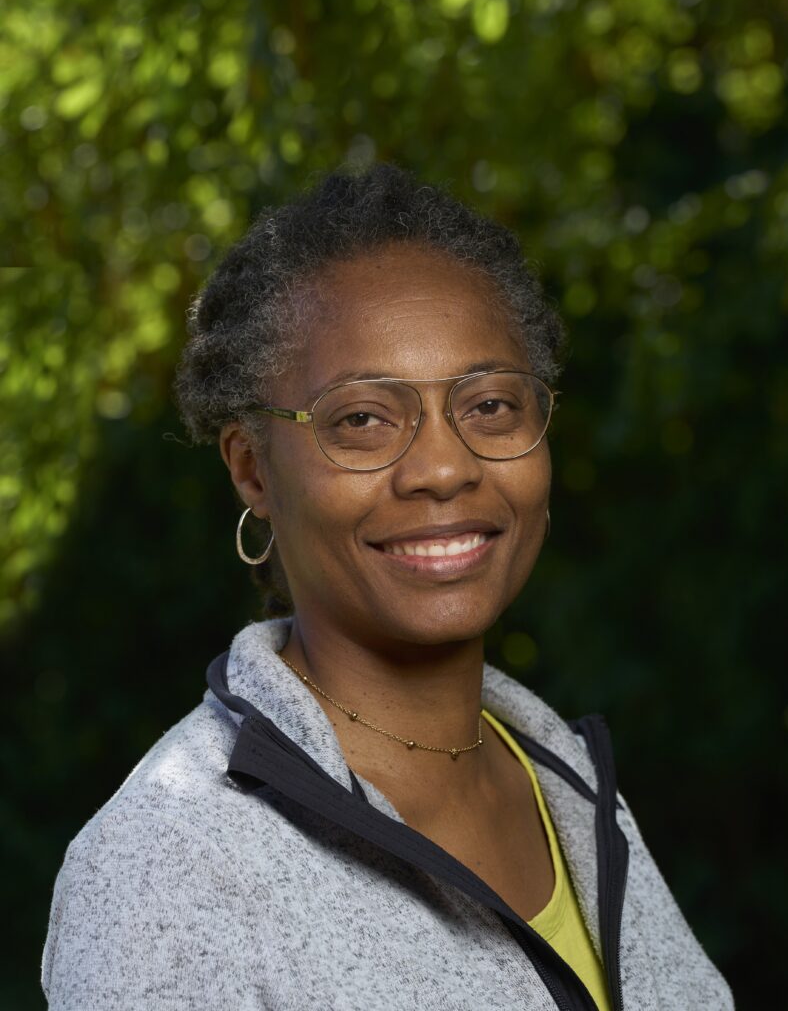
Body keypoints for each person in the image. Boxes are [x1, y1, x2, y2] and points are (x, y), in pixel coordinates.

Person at [42, 164, 733, 1010]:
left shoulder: (575, 790)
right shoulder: (170, 868)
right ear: (252, 469)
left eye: (489, 406)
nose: (444, 467)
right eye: (362, 419)